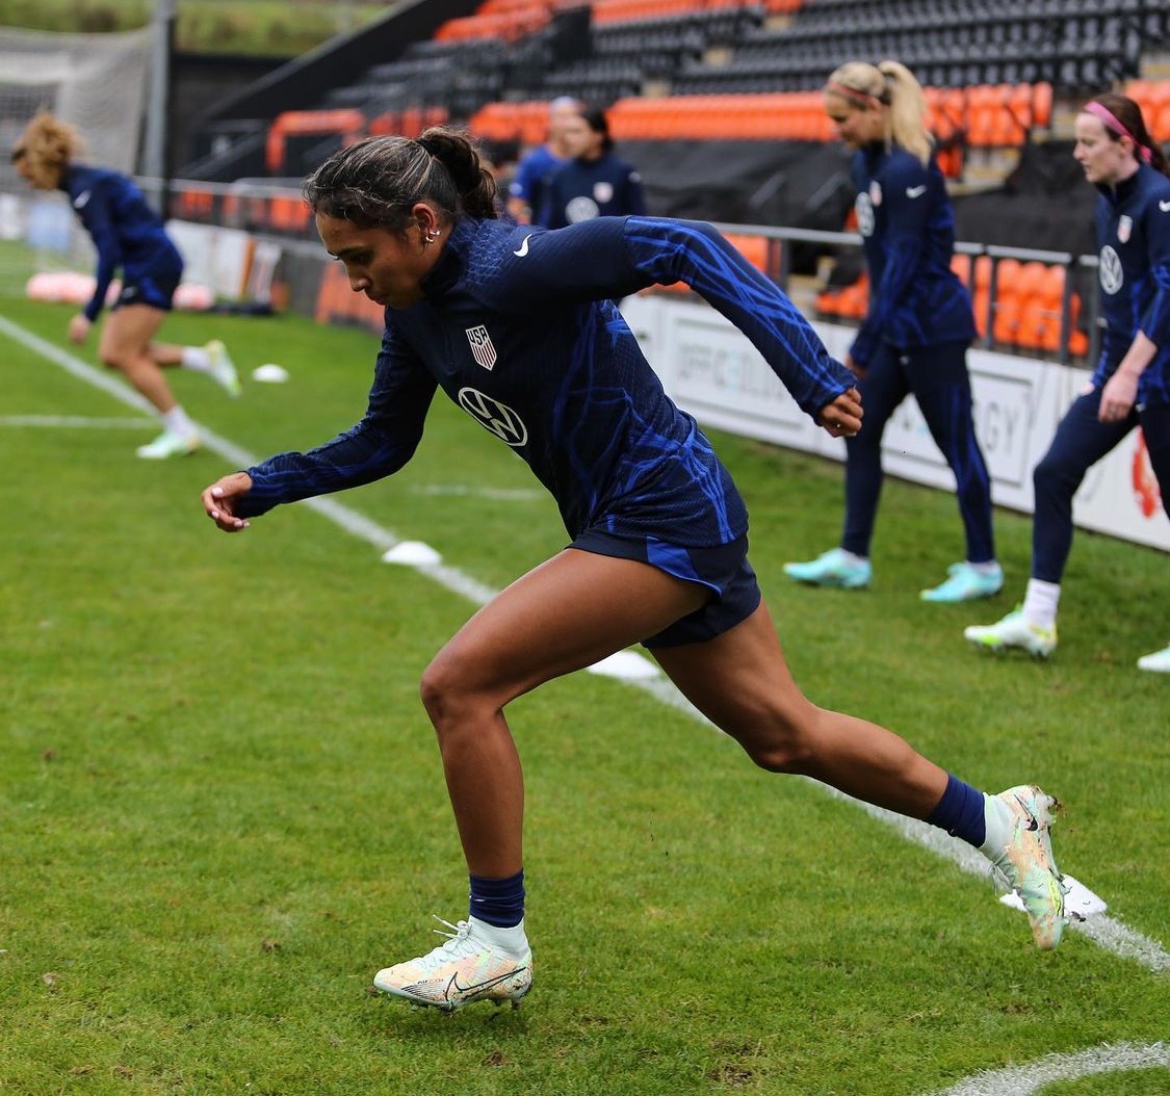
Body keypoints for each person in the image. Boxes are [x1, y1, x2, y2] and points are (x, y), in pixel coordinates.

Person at [200, 128, 1067, 1012]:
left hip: (664, 514)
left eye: (358, 255)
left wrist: (810, 374)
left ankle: (497, 940)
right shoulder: (414, 313)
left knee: (459, 686)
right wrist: (264, 483)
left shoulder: (515, 265)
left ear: (423, 222)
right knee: (784, 735)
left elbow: (684, 244)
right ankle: (1003, 821)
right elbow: (384, 440)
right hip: (647, 521)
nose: (350, 277)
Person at [784, 61, 1004, 603]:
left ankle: (984, 566)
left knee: (958, 446)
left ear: (874, 108)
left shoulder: (909, 170)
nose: (838, 130)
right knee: (860, 429)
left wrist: (865, 342)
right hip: (896, 329)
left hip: (932, 329)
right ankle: (853, 557)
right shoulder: (867, 163)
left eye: (844, 118)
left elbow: (904, 268)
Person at [965, 92, 1170, 673]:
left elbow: (1168, 292)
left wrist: (1130, 373)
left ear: (1123, 145)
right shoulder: (1109, 200)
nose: (1076, 153)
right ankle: (1037, 619)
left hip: (1158, 379)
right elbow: (1119, 298)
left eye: (1087, 142)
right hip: (1122, 377)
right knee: (1053, 470)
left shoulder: (1159, 200)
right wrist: (1109, 374)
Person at [11, 110, 241, 459]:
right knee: (112, 354)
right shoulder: (85, 183)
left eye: (29, 175)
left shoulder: (86, 191)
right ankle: (203, 359)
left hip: (152, 266)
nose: (30, 184)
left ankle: (182, 432)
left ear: (41, 164)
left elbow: (108, 254)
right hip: (147, 265)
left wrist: (88, 314)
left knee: (124, 354)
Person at [537, 104, 646, 230]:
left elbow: (638, 224)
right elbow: (547, 225)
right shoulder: (557, 175)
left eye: (577, 132)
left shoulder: (622, 173)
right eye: (568, 132)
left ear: (597, 136)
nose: (569, 139)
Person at [504, 96, 583, 225]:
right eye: (562, 117)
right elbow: (515, 207)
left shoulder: (585, 161)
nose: (568, 123)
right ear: (550, 122)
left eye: (573, 116)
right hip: (546, 238)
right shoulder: (534, 162)